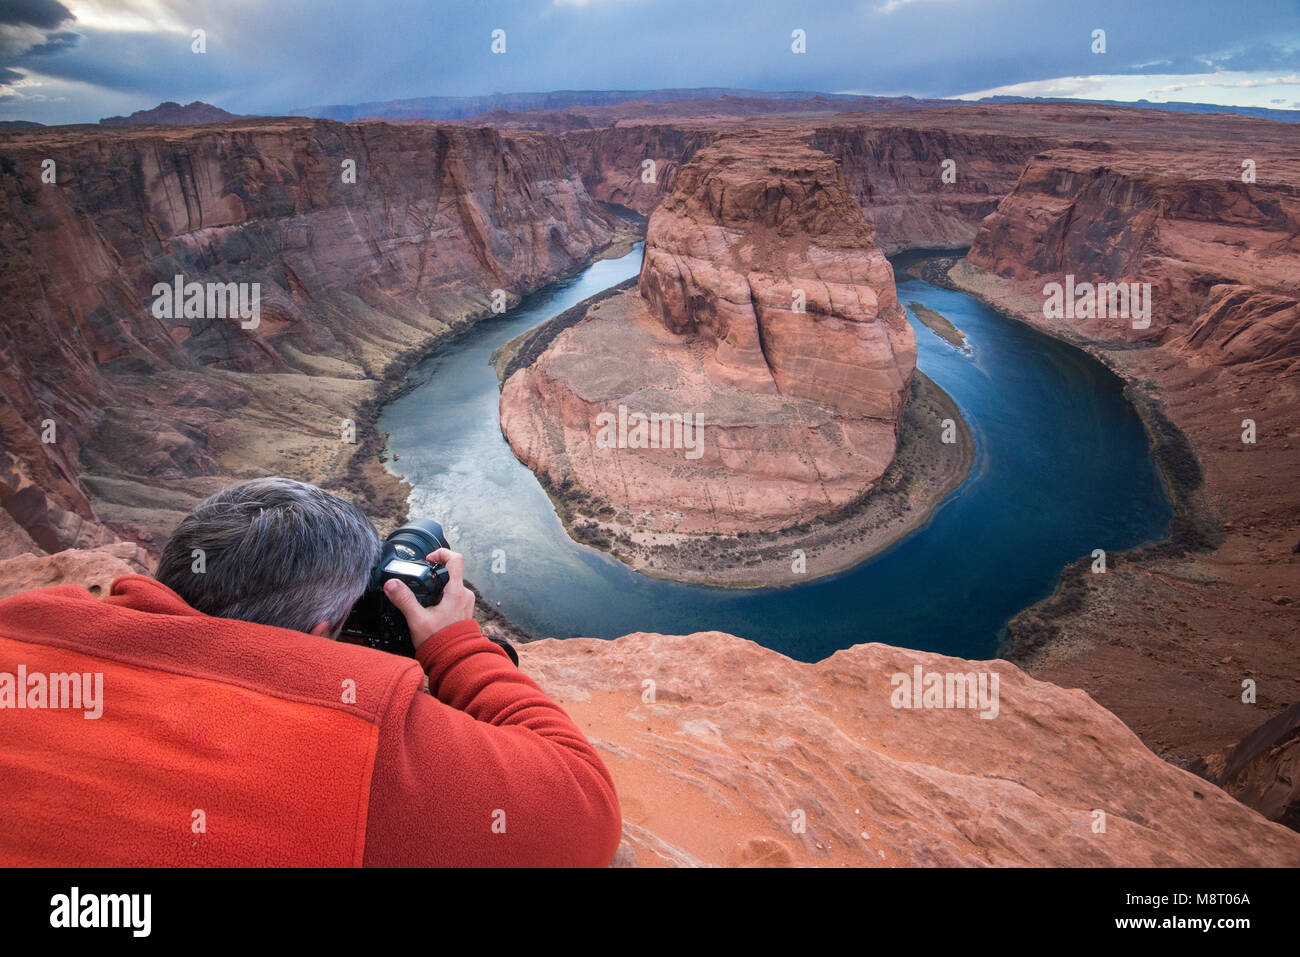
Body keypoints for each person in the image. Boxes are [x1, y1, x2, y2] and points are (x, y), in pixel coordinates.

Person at [0, 477, 622, 866]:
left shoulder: (25, 621)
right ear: (324, 632)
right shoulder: (356, 739)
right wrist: (457, 647)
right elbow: (586, 814)